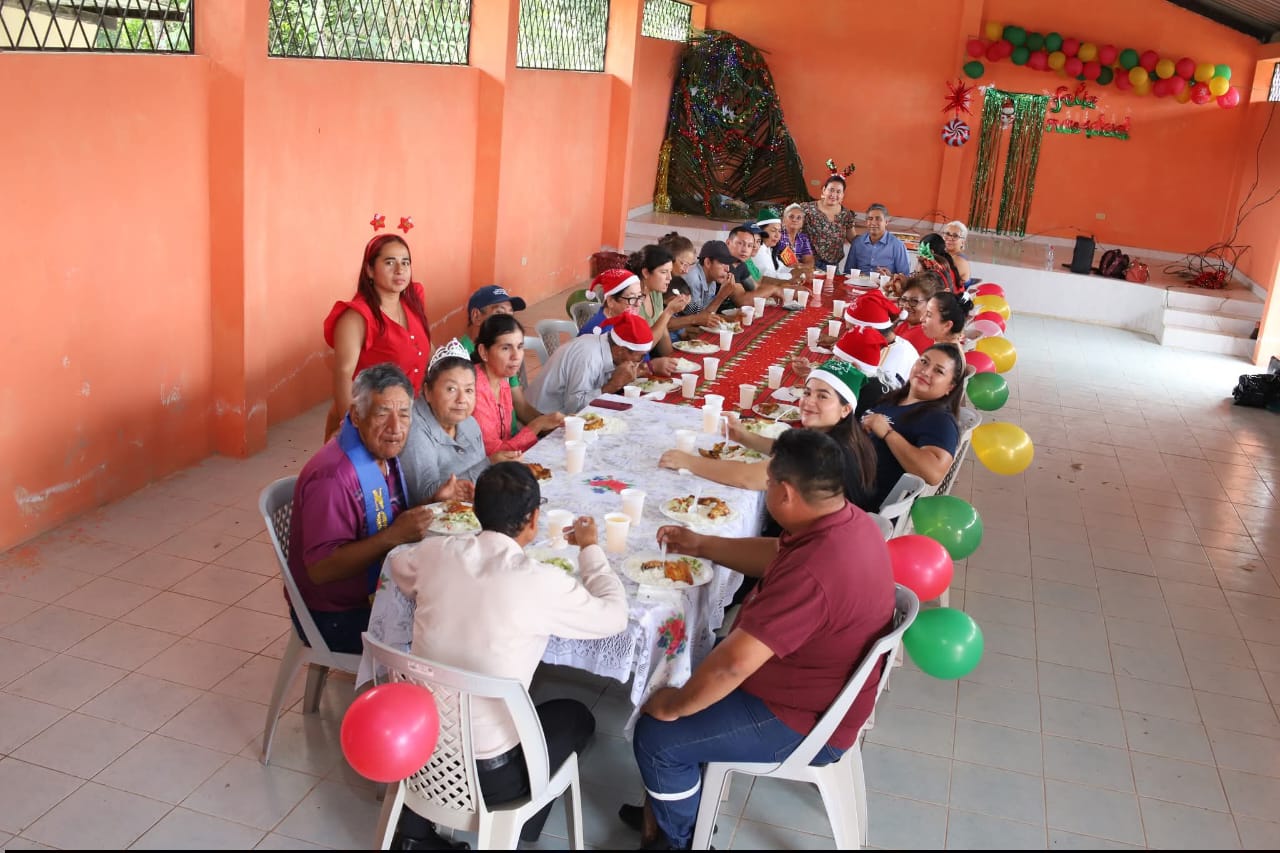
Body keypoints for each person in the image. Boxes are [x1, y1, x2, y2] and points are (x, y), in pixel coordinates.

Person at [628, 429, 896, 850]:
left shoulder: (814, 571)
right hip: (813, 689)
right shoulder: (848, 522)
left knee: (658, 735)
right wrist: (702, 544)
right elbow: (776, 554)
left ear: (786, 493)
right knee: (690, 666)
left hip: (805, 719)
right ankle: (671, 808)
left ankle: (683, 840)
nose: (767, 489)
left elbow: (734, 665)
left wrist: (674, 705)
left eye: (769, 483)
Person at [387, 462, 628, 845]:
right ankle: (520, 824)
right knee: (576, 716)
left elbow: (398, 564)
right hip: (492, 779)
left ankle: (415, 832)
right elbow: (615, 616)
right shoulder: (541, 582)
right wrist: (590, 549)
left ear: (475, 511)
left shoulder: (434, 553)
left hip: (417, 754)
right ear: (533, 520)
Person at [288, 364, 432, 655]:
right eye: (382, 413)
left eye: (404, 414)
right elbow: (320, 570)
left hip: (381, 591)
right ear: (356, 415)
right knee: (443, 635)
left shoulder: (381, 450)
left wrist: (434, 501)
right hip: (334, 615)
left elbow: (385, 516)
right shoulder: (333, 478)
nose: (395, 428)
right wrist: (393, 536)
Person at [658, 360, 878, 513]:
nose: (809, 402)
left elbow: (749, 478)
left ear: (845, 409)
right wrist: (744, 436)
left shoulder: (823, 452)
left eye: (823, 396)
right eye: (807, 392)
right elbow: (788, 451)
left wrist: (689, 462)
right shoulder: (845, 435)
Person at [324, 234, 432, 441]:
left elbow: (424, 344)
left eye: (405, 262)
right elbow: (343, 375)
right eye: (390, 262)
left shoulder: (413, 301)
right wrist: (354, 428)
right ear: (370, 270)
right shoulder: (356, 316)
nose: (400, 270)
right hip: (373, 419)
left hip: (411, 414)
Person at [862, 344, 964, 507]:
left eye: (938, 371)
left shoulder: (940, 420)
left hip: (862, 499)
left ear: (950, 387)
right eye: (924, 362)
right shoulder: (894, 398)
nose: (926, 371)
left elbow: (933, 474)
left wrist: (888, 433)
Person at [397, 341, 494, 507]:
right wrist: (489, 464)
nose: (462, 399)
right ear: (427, 391)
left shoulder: (469, 423)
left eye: (469, 390)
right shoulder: (414, 430)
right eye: (451, 389)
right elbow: (426, 496)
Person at [471, 314, 566, 455]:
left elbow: (506, 439)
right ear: (483, 352)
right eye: (505, 348)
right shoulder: (473, 390)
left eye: (520, 347)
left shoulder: (502, 379)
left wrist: (551, 423)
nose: (516, 356)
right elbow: (494, 454)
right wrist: (538, 424)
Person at [526, 312, 654, 414]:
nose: (641, 362)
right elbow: (575, 408)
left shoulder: (609, 348)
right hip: (541, 417)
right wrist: (614, 384)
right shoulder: (589, 357)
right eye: (640, 357)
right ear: (621, 350)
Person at [459, 285, 529, 435]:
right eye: (499, 314)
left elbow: (520, 404)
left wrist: (550, 424)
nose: (507, 321)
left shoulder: (509, 353)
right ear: (476, 316)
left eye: (510, 314)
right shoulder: (459, 359)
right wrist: (538, 426)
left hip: (512, 438)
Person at [629, 244, 691, 357]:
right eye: (663, 272)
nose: (669, 278)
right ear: (646, 273)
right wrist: (669, 311)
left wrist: (672, 359)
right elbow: (642, 347)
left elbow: (662, 330)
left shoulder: (656, 293)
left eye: (670, 271)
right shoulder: (632, 299)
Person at [673, 240, 748, 323]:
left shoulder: (712, 280)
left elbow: (706, 313)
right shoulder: (693, 279)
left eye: (728, 264)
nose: (727, 269)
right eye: (723, 263)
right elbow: (698, 320)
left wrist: (732, 319)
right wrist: (721, 296)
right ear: (708, 263)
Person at [801, 175, 858, 269]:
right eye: (831, 190)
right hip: (809, 264)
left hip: (832, 267)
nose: (833, 194)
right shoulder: (806, 209)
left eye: (838, 192)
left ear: (842, 195)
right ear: (824, 190)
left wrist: (872, 240)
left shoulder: (846, 214)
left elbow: (853, 239)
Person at [843, 203, 910, 277]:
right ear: (866, 222)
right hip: (858, 282)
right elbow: (848, 272)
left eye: (878, 219)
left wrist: (890, 276)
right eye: (870, 219)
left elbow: (905, 277)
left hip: (885, 283)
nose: (873, 223)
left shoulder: (897, 245)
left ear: (886, 222)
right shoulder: (858, 243)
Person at [895, 270, 944, 355]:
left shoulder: (923, 333)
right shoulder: (907, 324)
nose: (906, 305)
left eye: (914, 301)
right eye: (904, 299)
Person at [778, 202, 816, 269]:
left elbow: (810, 262)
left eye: (799, 218)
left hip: (798, 272)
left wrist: (799, 266)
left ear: (802, 222)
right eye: (791, 216)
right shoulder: (778, 236)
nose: (794, 220)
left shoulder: (803, 238)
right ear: (783, 220)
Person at [940, 220, 973, 286]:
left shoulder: (958, 260)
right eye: (947, 234)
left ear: (962, 242)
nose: (949, 238)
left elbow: (940, 282)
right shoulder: (946, 254)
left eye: (955, 236)